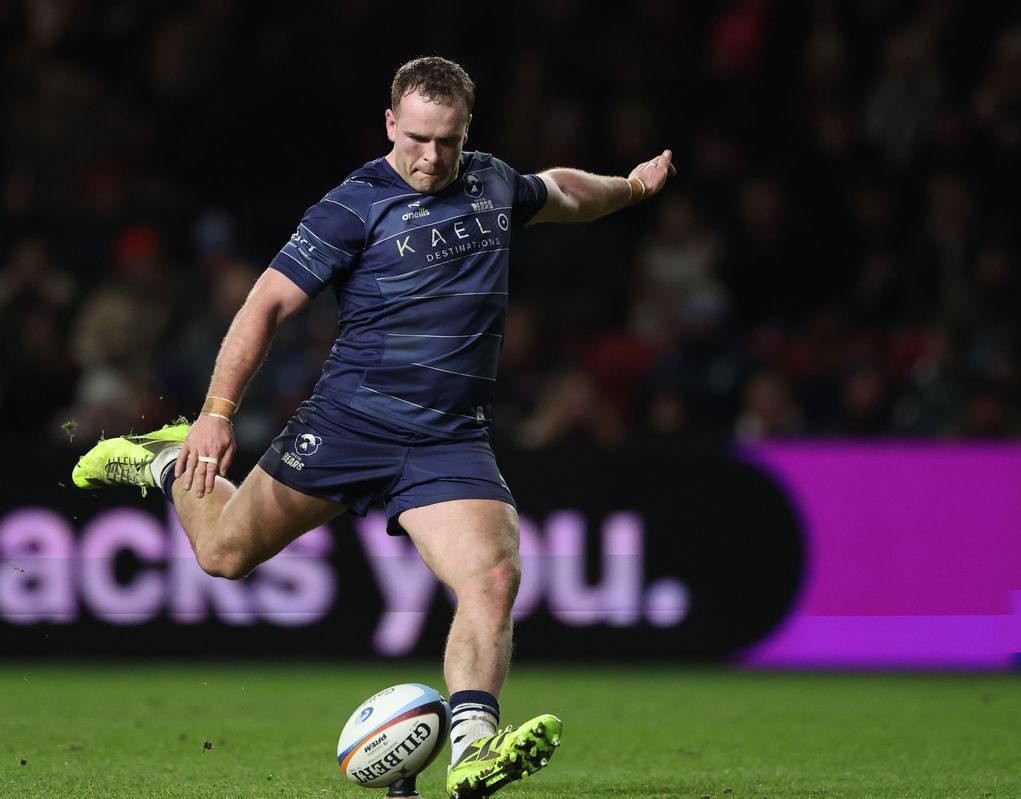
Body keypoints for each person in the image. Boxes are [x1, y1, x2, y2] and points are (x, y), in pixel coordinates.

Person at [73, 56, 675, 799]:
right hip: (350, 422)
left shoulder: (490, 182)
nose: (430, 157)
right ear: (391, 123)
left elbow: (559, 192)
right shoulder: (353, 205)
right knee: (223, 554)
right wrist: (215, 416)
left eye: (447, 141)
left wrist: (631, 188)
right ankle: (167, 463)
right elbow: (263, 305)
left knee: (494, 574)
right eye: (417, 137)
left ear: (466, 133)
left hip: (448, 438)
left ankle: (475, 749)